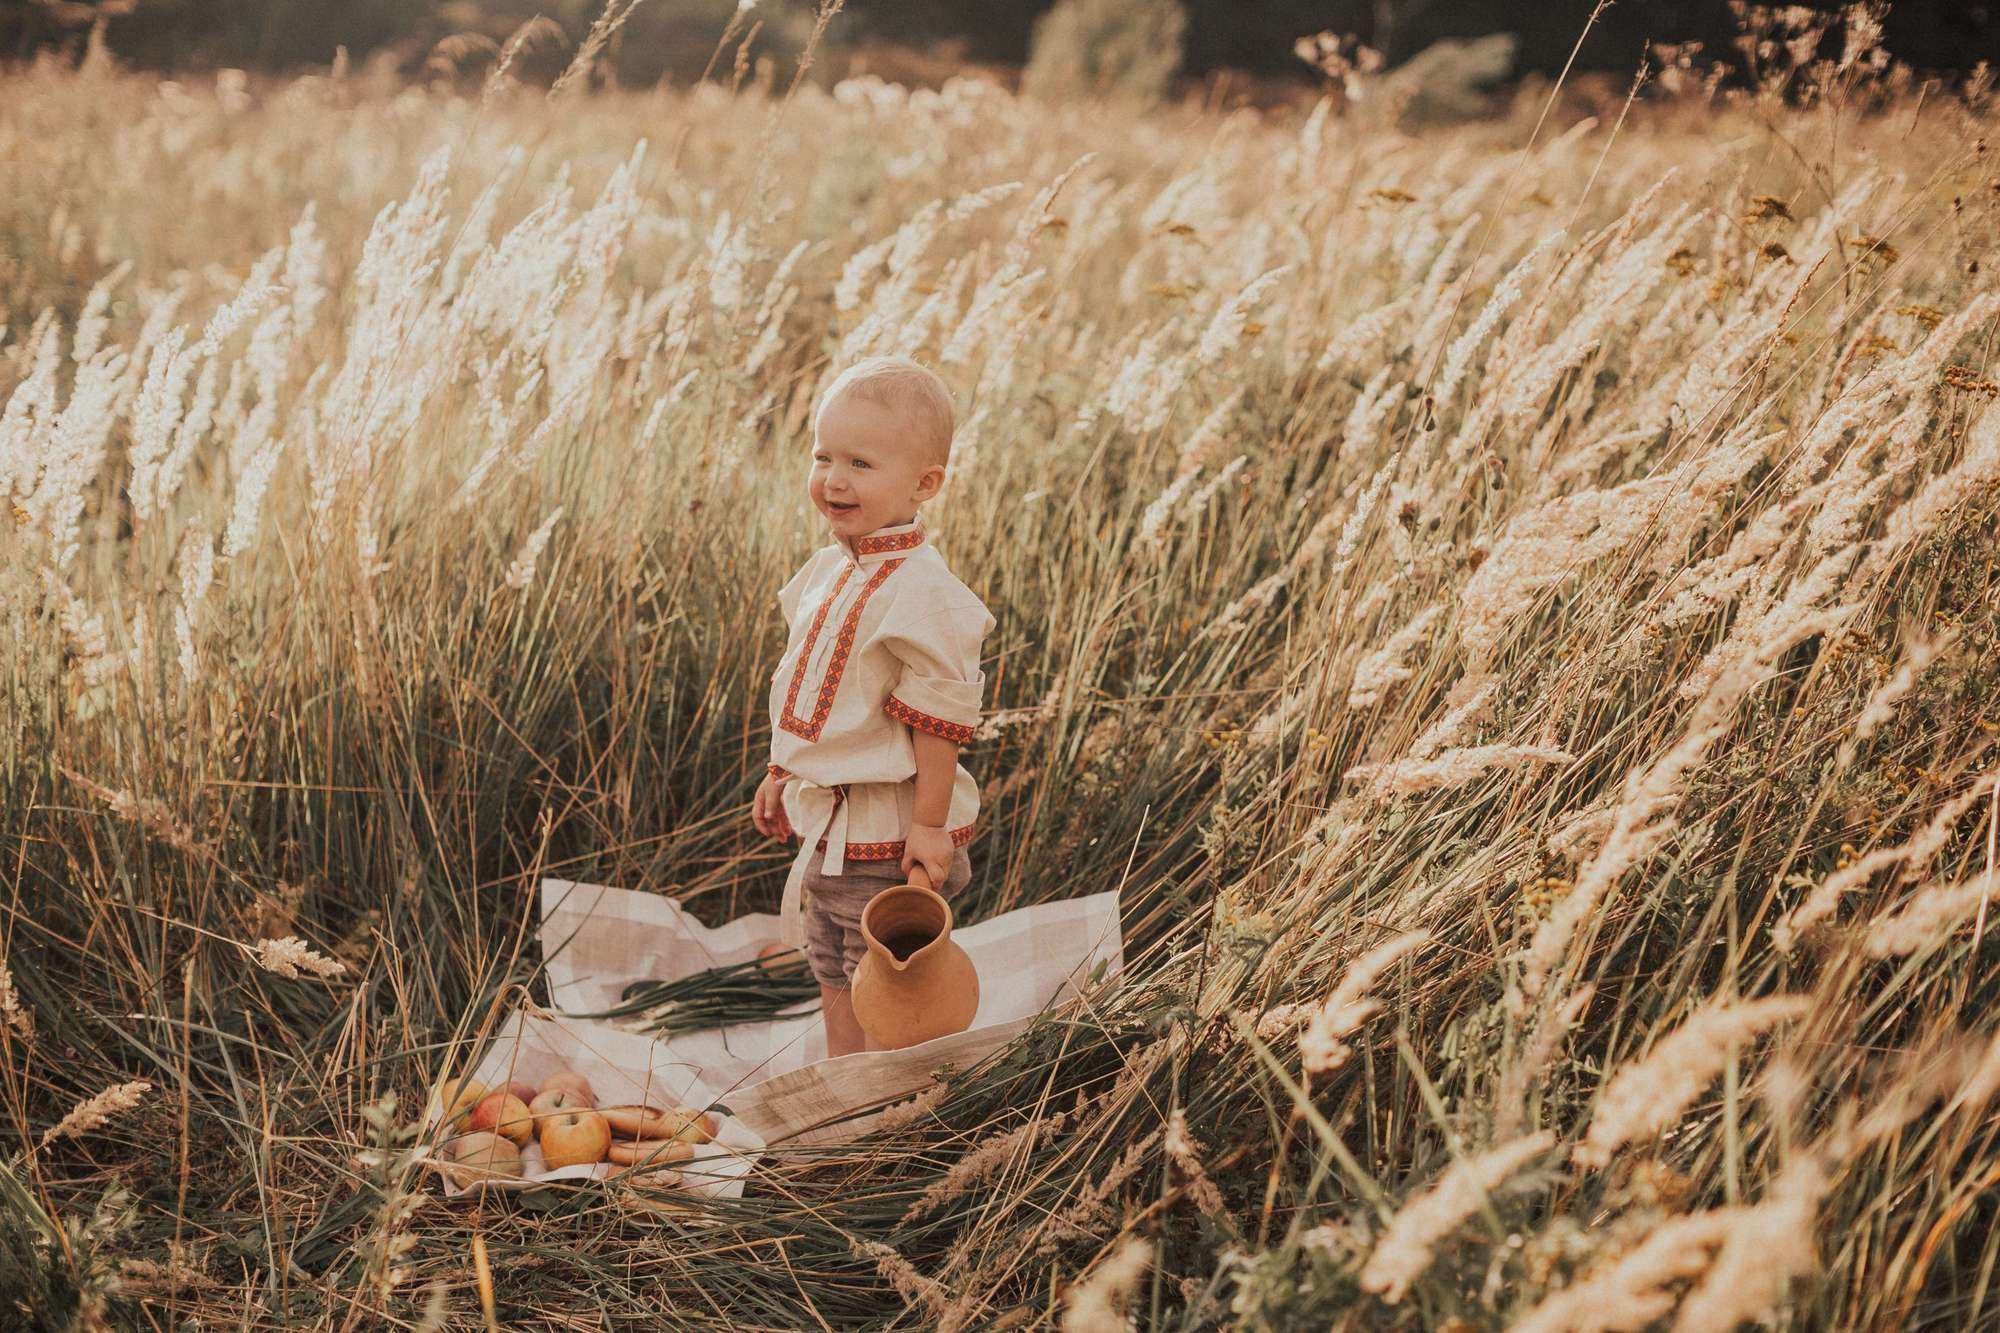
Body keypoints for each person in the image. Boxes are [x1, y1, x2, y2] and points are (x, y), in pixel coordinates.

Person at [750, 355, 994, 1057]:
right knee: (827, 956)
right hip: (829, 820)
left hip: (886, 826)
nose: (833, 478)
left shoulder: (922, 591)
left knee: (881, 979)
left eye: (860, 463)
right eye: (823, 455)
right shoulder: (833, 567)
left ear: (925, 483)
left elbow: (937, 718)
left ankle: (888, 1114)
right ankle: (843, 1085)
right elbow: (805, 683)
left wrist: (929, 826)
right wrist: (782, 769)